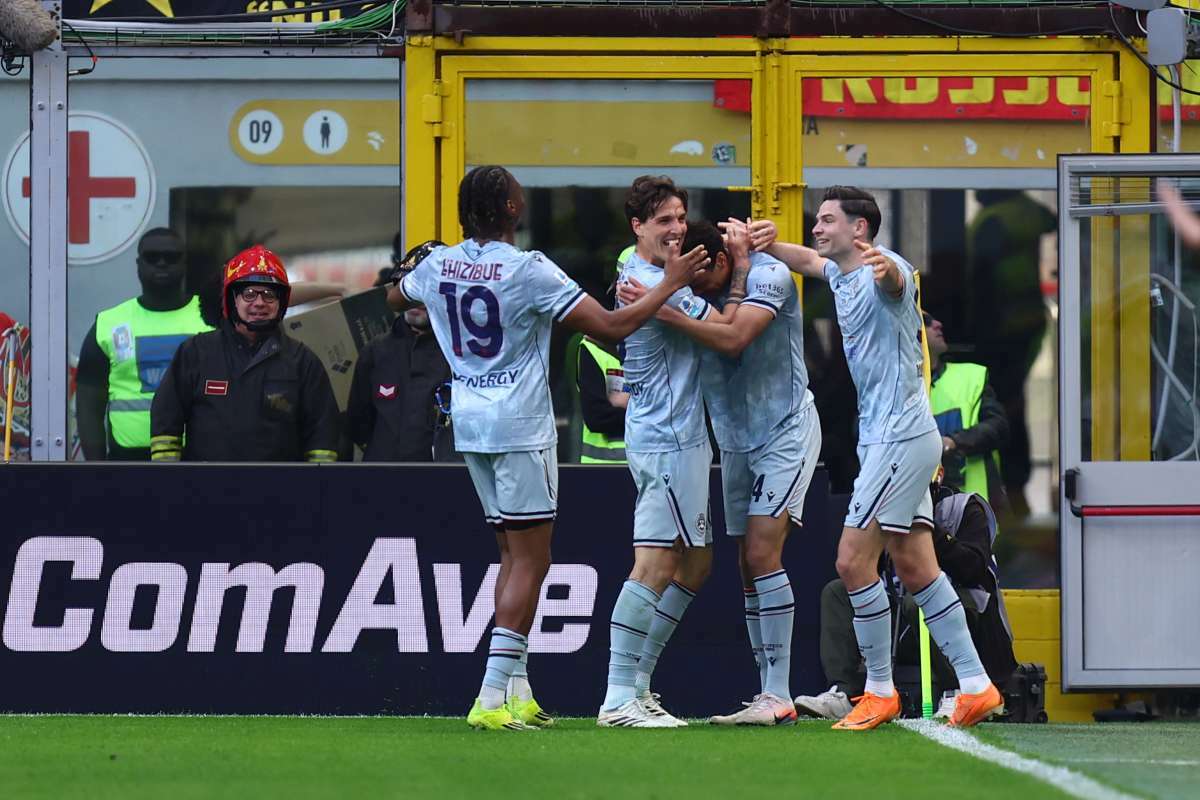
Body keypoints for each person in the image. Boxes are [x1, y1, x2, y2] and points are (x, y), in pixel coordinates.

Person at [388, 165, 707, 731]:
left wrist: (416, 264)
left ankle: (518, 689)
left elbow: (394, 294)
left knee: (510, 558)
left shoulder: (439, 264)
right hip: (520, 424)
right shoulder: (528, 270)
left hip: (470, 423)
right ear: (511, 210)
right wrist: (669, 284)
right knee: (532, 560)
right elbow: (610, 328)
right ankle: (489, 698)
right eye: (518, 195)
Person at [766, 186, 1003, 729]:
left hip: (897, 439)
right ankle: (975, 684)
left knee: (852, 561)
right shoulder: (840, 272)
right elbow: (806, 259)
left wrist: (888, 272)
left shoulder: (883, 267)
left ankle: (877, 689)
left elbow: (898, 280)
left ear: (860, 231)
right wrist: (769, 242)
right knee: (917, 565)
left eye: (828, 221)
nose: (818, 228)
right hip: (894, 438)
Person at [619, 218, 821, 726]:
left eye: (703, 280)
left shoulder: (768, 277)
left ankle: (778, 694)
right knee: (738, 564)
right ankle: (652, 686)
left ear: (724, 261)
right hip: (732, 440)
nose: (695, 292)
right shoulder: (673, 279)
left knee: (760, 552)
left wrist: (669, 311)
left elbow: (732, 339)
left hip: (784, 430)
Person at [597, 178, 759, 729]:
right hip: (665, 437)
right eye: (663, 220)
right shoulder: (652, 280)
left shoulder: (648, 271)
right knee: (656, 563)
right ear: (638, 226)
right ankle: (618, 696)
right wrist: (738, 270)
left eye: (680, 217)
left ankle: (638, 685)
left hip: (684, 437)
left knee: (696, 562)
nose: (676, 228)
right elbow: (732, 335)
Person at [795, 484, 1019, 719]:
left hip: (968, 618)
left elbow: (973, 569)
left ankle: (960, 688)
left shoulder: (964, 508)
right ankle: (845, 692)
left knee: (919, 598)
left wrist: (928, 533)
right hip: (903, 621)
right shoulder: (885, 507)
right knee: (837, 592)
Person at [149, 245, 340, 463]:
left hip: (280, 492)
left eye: (269, 295)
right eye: (249, 294)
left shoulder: (302, 361)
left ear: (281, 303)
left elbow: (323, 434)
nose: (259, 303)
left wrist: (316, 486)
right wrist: (168, 478)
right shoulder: (195, 353)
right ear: (232, 300)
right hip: (205, 491)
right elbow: (166, 420)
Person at [76, 228, 213, 461]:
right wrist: (96, 470)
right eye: (152, 257)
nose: (161, 263)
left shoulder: (213, 317)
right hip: (127, 462)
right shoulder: (108, 324)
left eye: (171, 257)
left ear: (185, 263)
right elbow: (89, 407)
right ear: (138, 264)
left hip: (201, 459)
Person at [966, 190, 1055, 518]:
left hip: (1003, 328)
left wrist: (974, 327)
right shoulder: (1024, 211)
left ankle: (1011, 486)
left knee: (1005, 405)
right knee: (1014, 401)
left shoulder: (995, 220)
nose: (976, 193)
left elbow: (982, 276)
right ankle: (1016, 488)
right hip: (1027, 321)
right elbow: (1050, 221)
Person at [347, 239, 454, 462]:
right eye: (408, 287)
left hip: (443, 486)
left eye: (425, 290)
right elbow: (358, 425)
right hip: (381, 485)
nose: (414, 300)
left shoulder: (460, 356)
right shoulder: (375, 353)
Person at [927, 312, 1009, 505]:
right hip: (917, 512)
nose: (938, 323)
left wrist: (953, 441)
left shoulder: (971, 376)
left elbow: (998, 426)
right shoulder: (892, 387)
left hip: (971, 513)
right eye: (926, 322)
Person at [577, 245, 635, 464]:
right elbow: (597, 418)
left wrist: (626, 404)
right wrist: (649, 410)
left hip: (658, 469)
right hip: (604, 473)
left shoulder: (674, 340)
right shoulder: (594, 345)